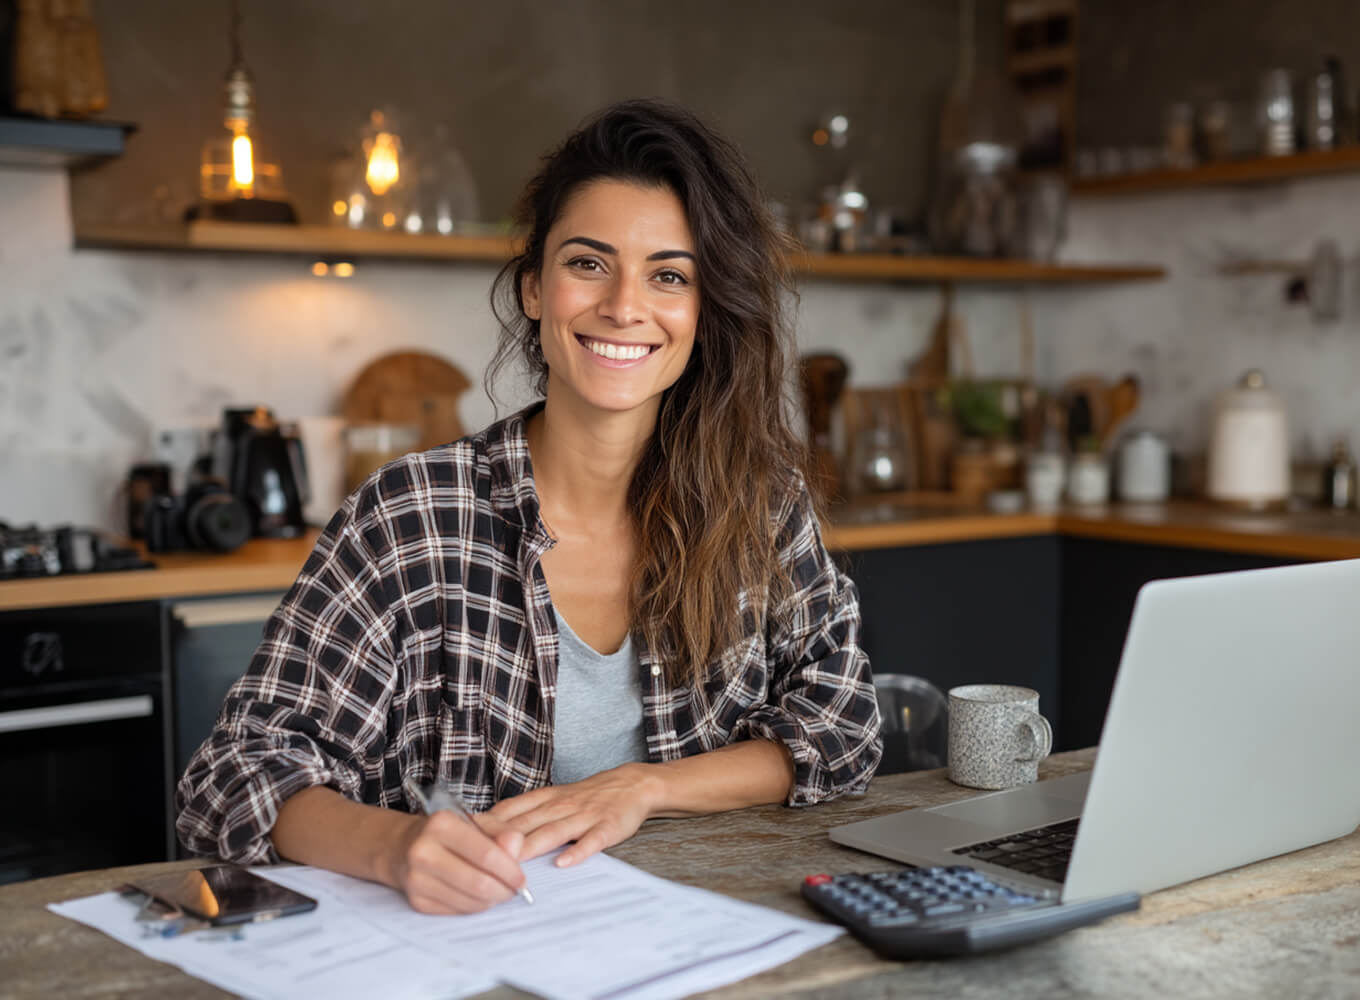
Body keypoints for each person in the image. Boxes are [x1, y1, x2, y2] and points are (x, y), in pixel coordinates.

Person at [177, 99, 881, 915]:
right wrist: (395, 846)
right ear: (535, 289)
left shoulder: (760, 506)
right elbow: (234, 776)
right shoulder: (411, 517)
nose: (624, 305)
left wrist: (643, 790)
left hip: (693, 942)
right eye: (588, 263)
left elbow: (842, 726)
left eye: (669, 275)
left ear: (704, 310)